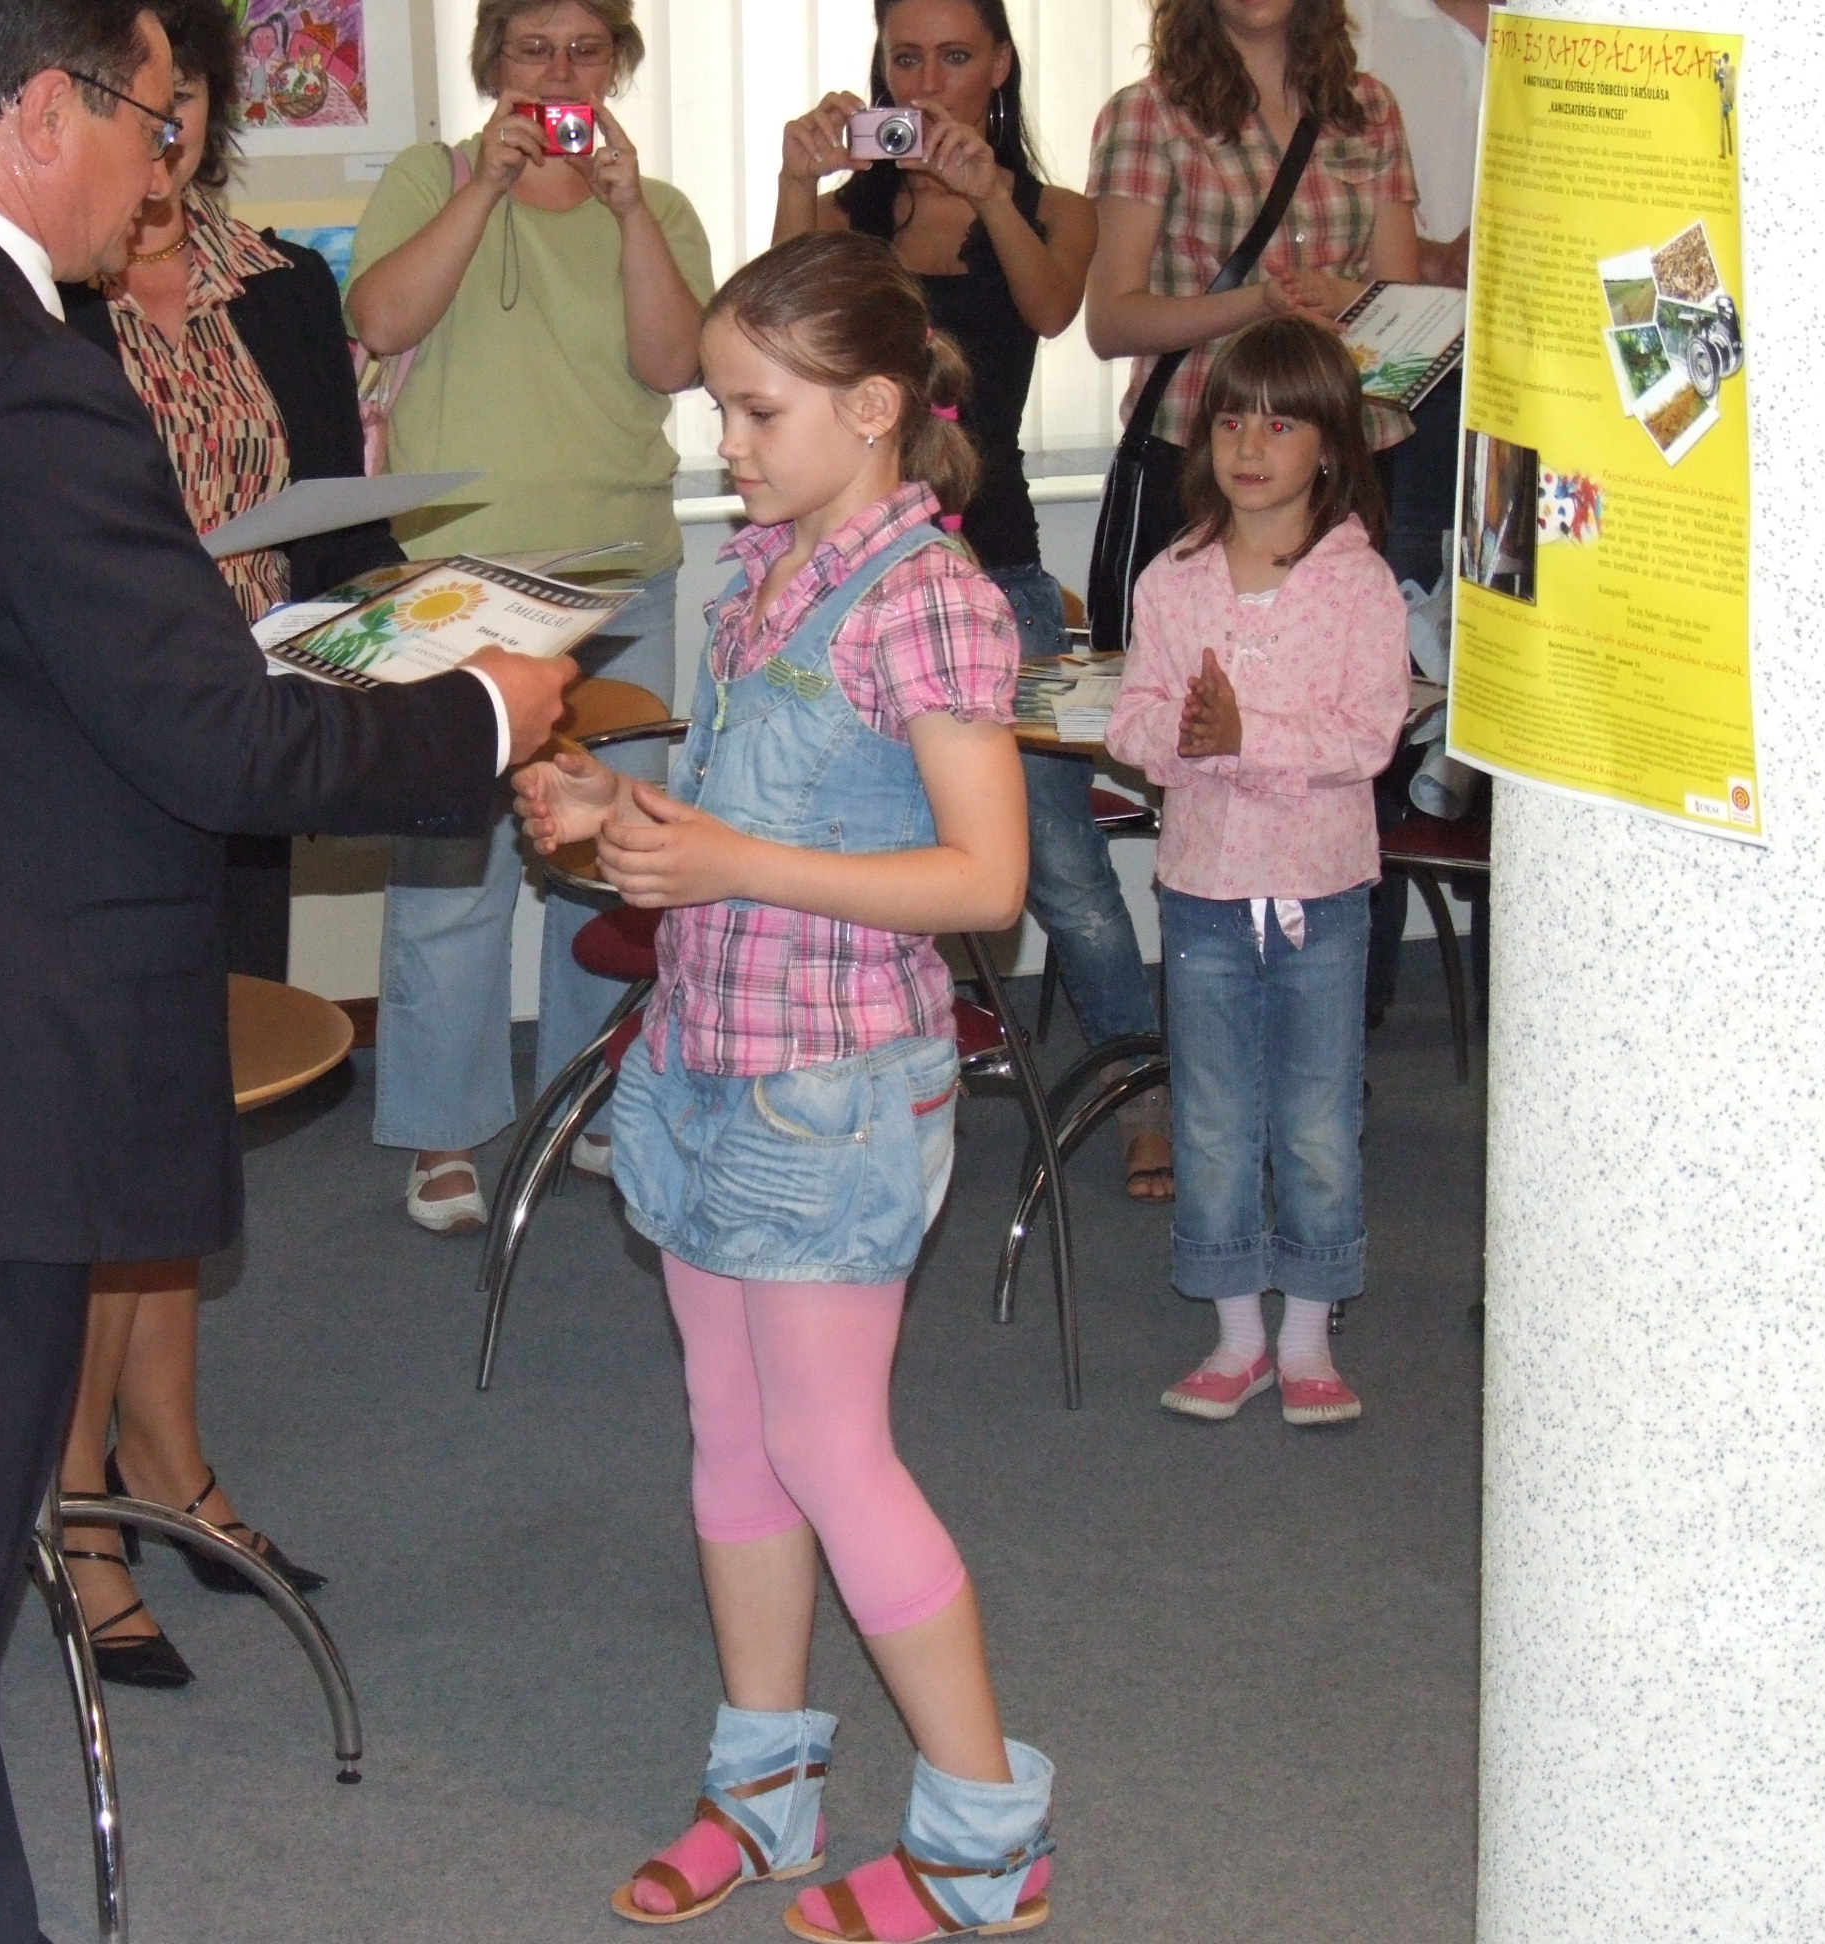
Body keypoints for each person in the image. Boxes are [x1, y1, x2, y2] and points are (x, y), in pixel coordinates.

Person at [0, 3, 574, 1939]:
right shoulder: (19, 377)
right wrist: (486, 716)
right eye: (156, 124)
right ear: (44, 109)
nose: (168, 170)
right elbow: (218, 746)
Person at [518, 232, 1055, 1941]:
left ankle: (985, 1839)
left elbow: (983, 881)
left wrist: (728, 857)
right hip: (706, 1063)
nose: (725, 442)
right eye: (719, 408)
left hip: (833, 1094)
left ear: (875, 408)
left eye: (757, 410)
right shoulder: (760, 573)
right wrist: (615, 818)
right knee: (732, 1434)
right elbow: (747, 824)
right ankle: (764, 1790)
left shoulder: (930, 599)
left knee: (832, 1450)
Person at [50, 0, 399, 1689]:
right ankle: (79, 1515)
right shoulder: (43, 293)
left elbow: (340, 530)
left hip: (243, 732)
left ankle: (176, 1464)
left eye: (188, 96)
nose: (170, 127)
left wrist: (397, 651)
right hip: (89, 756)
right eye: (146, 98)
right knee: (99, 1144)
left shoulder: (284, 286)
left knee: (187, 1133)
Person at [776, 0, 1174, 1199]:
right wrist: (796, 179)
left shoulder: (1051, 209)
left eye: (956, 56)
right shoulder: (851, 216)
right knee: (859, 843)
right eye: (907, 58)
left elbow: (1055, 309)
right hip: (858, 579)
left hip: (995, 577)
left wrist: (991, 192)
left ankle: (1142, 1090)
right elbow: (779, 337)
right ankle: (875, 1085)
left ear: (999, 64)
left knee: (1059, 859)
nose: (930, 80)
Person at [345, 0, 711, 1233]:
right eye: (532, 48)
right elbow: (379, 320)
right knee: (453, 867)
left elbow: (674, 365)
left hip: (619, 582)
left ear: (619, 62)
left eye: (586, 49)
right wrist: (486, 191)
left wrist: (627, 212)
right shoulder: (431, 178)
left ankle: (591, 1102)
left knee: (610, 860)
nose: (559, 72)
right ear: (492, 59)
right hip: (458, 589)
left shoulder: (658, 209)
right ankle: (443, 1133)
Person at [1103, 316, 1408, 1429]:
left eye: (1281, 425)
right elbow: (1133, 721)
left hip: (1322, 892)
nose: (1250, 444)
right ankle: (1237, 1336)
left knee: (1318, 1119)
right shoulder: (1173, 578)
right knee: (1214, 1117)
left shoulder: (1359, 584)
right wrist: (1188, 736)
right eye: (1232, 420)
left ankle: (1309, 1334)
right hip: (1203, 894)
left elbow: (1368, 738)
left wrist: (1246, 735)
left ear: (1329, 447)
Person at [1083, 0, 1419, 642]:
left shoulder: (1369, 108)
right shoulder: (1147, 113)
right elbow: (1111, 322)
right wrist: (1258, 304)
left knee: (1333, 679)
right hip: (1203, 457)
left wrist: (1335, 296)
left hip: (1345, 455)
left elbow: (1401, 309)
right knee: (1187, 683)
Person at [1352, 0, 1488, 1026]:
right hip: (1411, 395)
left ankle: (1526, 1023)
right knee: (1388, 696)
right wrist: (1443, 261)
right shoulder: (1354, 26)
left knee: (1537, 711)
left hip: (1575, 397)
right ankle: (1356, 1027)